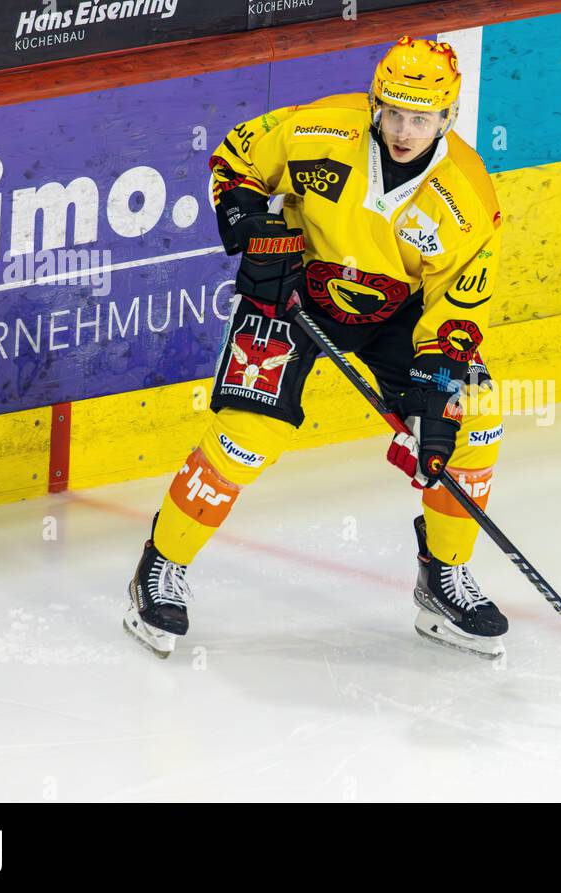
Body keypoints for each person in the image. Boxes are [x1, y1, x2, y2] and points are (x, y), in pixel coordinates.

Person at [123, 37, 508, 661]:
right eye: (394, 112)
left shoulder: (468, 199)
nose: (404, 131)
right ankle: (159, 567)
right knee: (245, 435)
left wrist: (437, 407)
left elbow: (455, 316)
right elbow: (237, 154)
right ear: (375, 103)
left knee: (475, 421)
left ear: (448, 117)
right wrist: (251, 224)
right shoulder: (323, 130)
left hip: (398, 314)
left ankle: (443, 577)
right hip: (290, 289)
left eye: (422, 118)